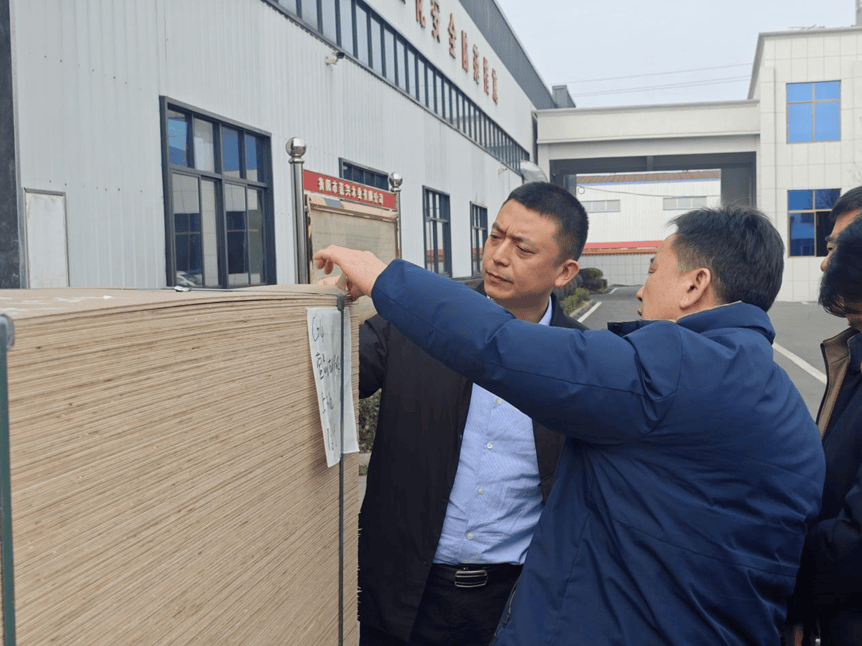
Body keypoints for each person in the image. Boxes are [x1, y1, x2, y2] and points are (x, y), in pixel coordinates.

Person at [315, 204, 826, 646]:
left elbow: (501, 348)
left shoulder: (677, 365)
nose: (641, 291)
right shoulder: (785, 405)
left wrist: (385, 279)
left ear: (695, 284)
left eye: (652, 270)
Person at [357, 182, 589, 646]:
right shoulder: (420, 321)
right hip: (403, 594)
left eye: (522, 248)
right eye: (495, 236)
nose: (498, 256)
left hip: (516, 603)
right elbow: (327, 377)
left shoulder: (582, 363)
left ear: (564, 272)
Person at [785, 187, 862, 646]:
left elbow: (854, 538)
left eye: (842, 247)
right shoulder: (851, 351)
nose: (826, 263)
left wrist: (788, 577)